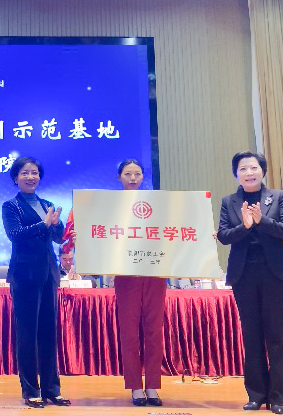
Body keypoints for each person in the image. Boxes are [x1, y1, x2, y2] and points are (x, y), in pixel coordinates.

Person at [217, 151, 283, 415]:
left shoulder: (278, 197)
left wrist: (262, 221)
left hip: (275, 274)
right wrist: (246, 226)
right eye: (242, 169)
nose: (248, 173)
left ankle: (278, 397)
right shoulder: (229, 201)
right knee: (251, 336)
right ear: (236, 174)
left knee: (275, 335)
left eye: (253, 168)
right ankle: (256, 395)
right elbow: (224, 236)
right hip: (244, 275)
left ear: (262, 171)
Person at [1, 156, 70, 408]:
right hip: (25, 274)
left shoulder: (47, 204)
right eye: (25, 173)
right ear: (16, 178)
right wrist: (44, 223)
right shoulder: (11, 206)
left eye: (35, 173)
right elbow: (15, 235)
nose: (30, 177)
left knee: (49, 332)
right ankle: (31, 390)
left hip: (49, 274)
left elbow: (58, 237)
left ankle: (52, 389)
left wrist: (58, 225)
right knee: (28, 332)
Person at [108, 159, 166, 407]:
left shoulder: (157, 203)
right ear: (119, 177)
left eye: (137, 174)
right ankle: (134, 386)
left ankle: (152, 385)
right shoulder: (109, 205)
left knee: (154, 331)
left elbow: (170, 230)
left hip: (155, 271)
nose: (132, 178)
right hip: (126, 273)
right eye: (127, 174)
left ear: (143, 177)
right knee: (129, 332)